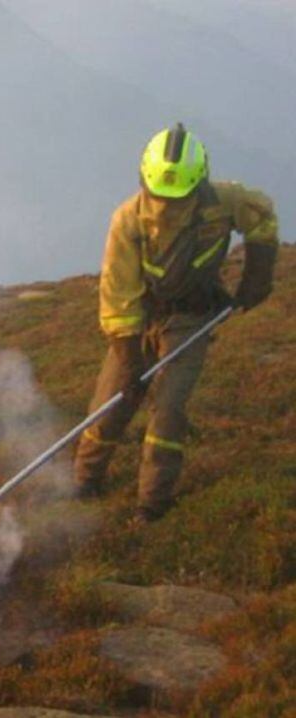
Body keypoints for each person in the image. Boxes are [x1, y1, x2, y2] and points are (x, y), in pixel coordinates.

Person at [74, 123, 279, 522]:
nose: (167, 206)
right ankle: (84, 480)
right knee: (110, 405)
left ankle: (151, 504)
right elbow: (118, 298)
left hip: (192, 317)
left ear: (199, 183)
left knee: (167, 412)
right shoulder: (128, 221)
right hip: (141, 321)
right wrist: (131, 359)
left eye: (179, 196)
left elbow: (262, 217)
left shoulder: (225, 202)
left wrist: (258, 274)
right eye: (159, 195)